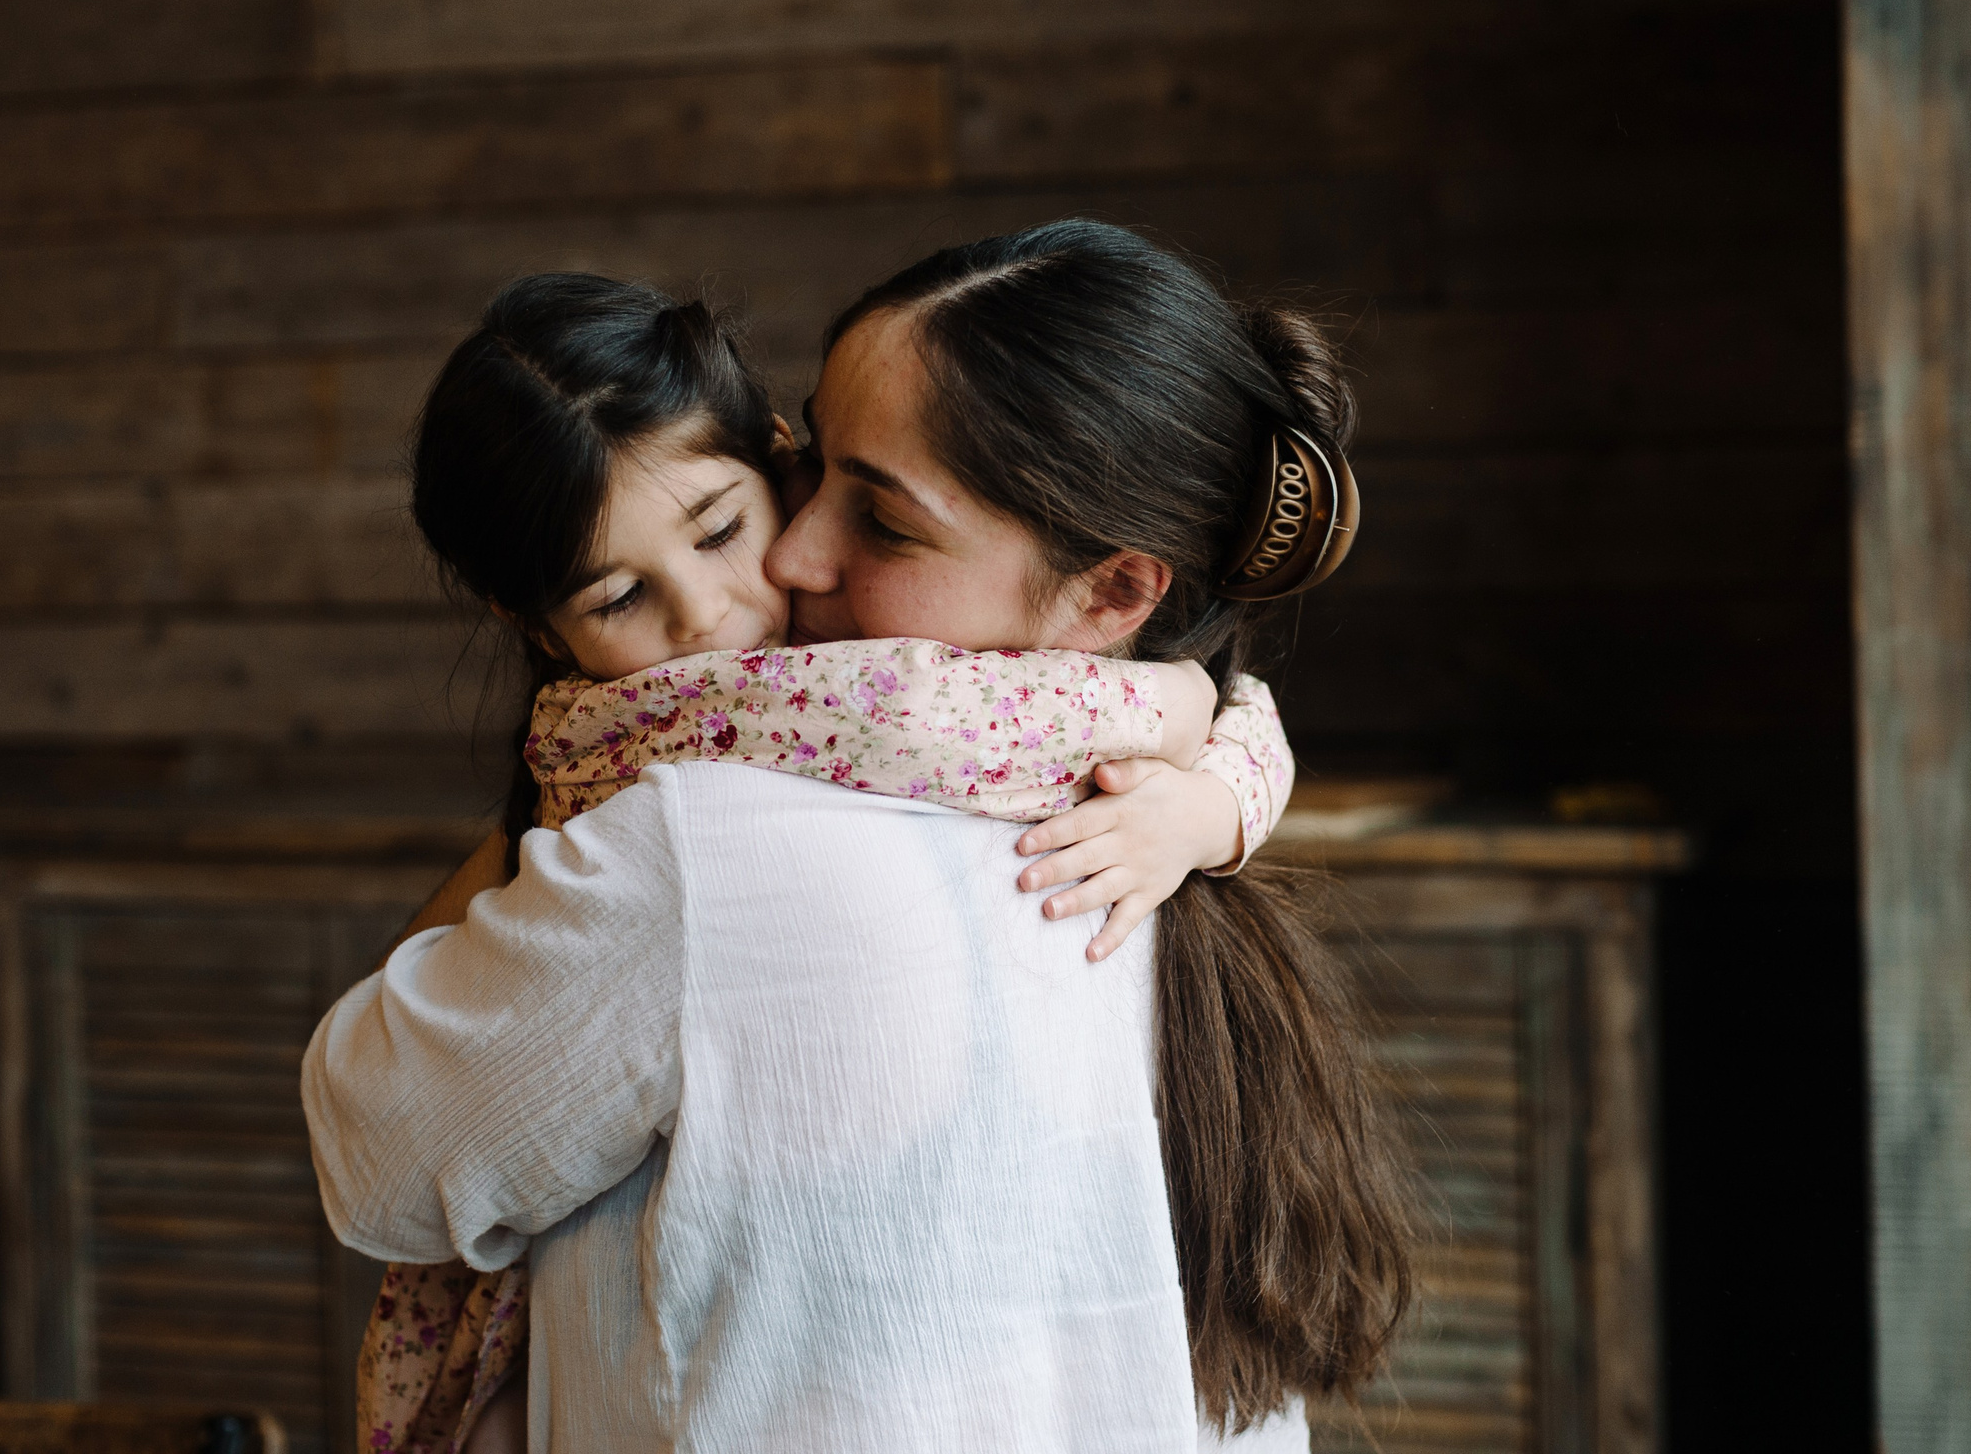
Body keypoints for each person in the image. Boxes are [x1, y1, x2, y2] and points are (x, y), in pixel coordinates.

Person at [304, 222, 1411, 1452]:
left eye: (882, 522)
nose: (785, 557)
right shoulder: (1150, 762)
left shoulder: (701, 830)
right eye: (814, 465)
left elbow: (379, 1157)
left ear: (1112, 594)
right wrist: (1209, 788)